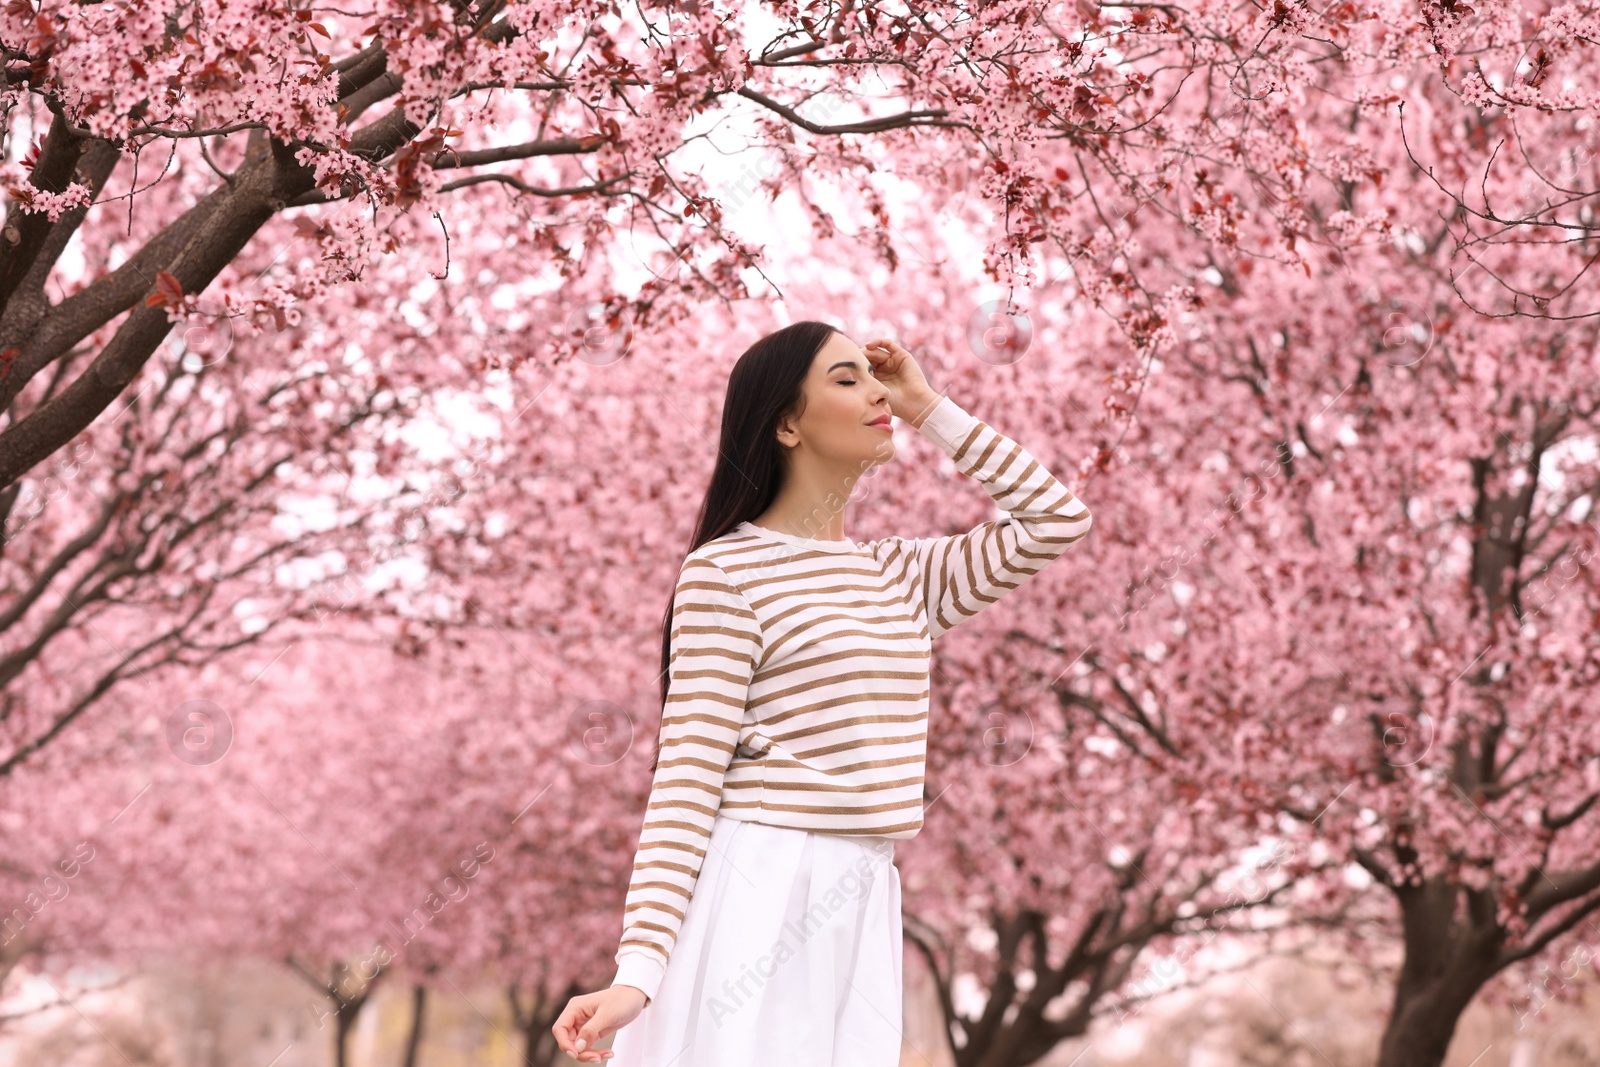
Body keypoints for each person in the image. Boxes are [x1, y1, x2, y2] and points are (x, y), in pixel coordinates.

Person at [552, 322, 1093, 1065]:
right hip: (763, 887)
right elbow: (685, 778)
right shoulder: (725, 574)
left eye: (871, 378)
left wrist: (929, 406)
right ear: (786, 423)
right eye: (845, 379)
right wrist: (637, 969)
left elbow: (1056, 518)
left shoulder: (901, 578)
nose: (876, 391)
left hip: (864, 889)